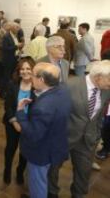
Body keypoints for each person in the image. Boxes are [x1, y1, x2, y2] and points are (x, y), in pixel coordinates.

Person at [48, 60, 110, 198]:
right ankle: (52, 192)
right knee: (53, 168)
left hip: (88, 140)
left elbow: (100, 115)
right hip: (65, 137)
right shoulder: (69, 85)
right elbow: (55, 113)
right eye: (109, 80)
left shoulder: (106, 90)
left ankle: (78, 194)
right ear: (98, 76)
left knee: (84, 173)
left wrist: (97, 134)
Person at [17, 62, 71, 198]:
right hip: (55, 145)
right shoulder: (63, 90)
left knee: (37, 185)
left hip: (40, 153)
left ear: (41, 80)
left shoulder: (43, 108)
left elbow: (32, 134)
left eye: (33, 75)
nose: (30, 78)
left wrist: (20, 112)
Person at [3, 57, 36, 185]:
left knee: (25, 151)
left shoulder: (37, 87)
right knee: (10, 149)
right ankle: (7, 170)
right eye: (22, 69)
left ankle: (20, 171)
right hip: (12, 123)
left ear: (33, 70)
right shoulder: (13, 84)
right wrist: (15, 122)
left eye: (28, 68)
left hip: (29, 126)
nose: (25, 71)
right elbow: (8, 106)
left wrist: (26, 125)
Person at [2, 22, 24, 97]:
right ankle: (3, 93)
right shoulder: (6, 36)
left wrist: (20, 50)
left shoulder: (15, 36)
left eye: (18, 28)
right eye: (17, 28)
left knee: (11, 76)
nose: (18, 29)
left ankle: (8, 92)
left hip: (14, 59)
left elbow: (14, 47)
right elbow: (5, 48)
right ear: (12, 28)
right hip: (8, 60)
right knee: (6, 77)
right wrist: (16, 46)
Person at [0, 21, 9, 92]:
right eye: (7, 25)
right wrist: (6, 46)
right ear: (3, 25)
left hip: (2, 55)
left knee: (1, 71)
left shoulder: (5, 32)